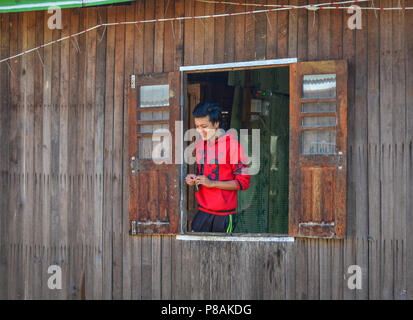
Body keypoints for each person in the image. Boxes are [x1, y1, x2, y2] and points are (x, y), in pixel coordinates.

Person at [185, 102, 250, 233]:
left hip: (224, 215)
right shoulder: (199, 145)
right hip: (203, 211)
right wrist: (193, 179)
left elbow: (243, 183)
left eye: (204, 126)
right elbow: (204, 174)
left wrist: (212, 183)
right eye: (197, 126)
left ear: (216, 124)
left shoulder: (233, 146)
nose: (200, 130)